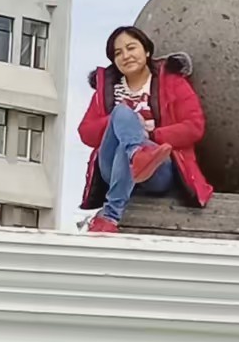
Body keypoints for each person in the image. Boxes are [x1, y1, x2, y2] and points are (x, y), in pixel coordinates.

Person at [78, 25, 213, 233]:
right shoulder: (107, 90)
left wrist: (150, 134)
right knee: (123, 116)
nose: (126, 56)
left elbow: (194, 127)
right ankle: (136, 153)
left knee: (127, 143)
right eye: (118, 53)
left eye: (131, 48)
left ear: (147, 50)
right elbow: (86, 132)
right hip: (112, 169)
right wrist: (120, 123)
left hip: (158, 168)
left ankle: (111, 216)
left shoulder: (172, 82)